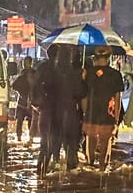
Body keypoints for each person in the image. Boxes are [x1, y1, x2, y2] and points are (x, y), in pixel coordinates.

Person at [34, 44, 84, 175]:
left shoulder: (43, 68)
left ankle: (42, 173)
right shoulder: (73, 72)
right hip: (68, 114)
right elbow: (81, 93)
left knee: (46, 146)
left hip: (48, 113)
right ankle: (70, 182)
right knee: (71, 148)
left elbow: (34, 91)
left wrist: (39, 105)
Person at [81, 46, 125, 169]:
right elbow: (118, 99)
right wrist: (116, 119)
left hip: (91, 114)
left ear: (96, 57)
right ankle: (102, 168)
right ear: (109, 58)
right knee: (106, 141)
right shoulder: (116, 75)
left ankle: (89, 165)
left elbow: (84, 96)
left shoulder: (87, 73)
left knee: (91, 140)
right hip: (108, 114)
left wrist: (85, 112)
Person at [12, 56, 38, 144]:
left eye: (26, 63)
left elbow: (14, 86)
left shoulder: (32, 74)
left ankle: (29, 137)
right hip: (24, 101)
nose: (24, 64)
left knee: (29, 120)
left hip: (29, 101)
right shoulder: (23, 75)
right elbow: (14, 86)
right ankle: (21, 136)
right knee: (21, 120)